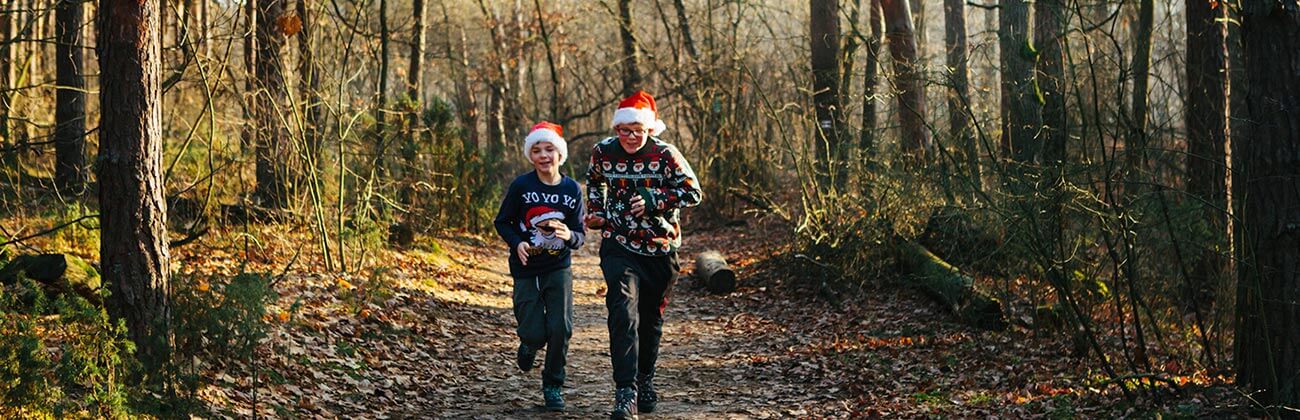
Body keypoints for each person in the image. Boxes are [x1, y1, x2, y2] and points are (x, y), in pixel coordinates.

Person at [585, 91, 703, 419]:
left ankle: (644, 379)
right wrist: (596, 211)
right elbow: (595, 181)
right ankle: (626, 392)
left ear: (649, 129)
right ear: (616, 129)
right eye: (625, 130)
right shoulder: (603, 152)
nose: (632, 137)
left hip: (661, 247)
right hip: (618, 243)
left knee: (650, 320)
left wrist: (655, 199)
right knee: (622, 311)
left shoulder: (666, 154)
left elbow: (693, 191)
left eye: (638, 130)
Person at [494, 121, 586, 412]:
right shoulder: (522, 186)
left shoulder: (572, 189)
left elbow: (580, 233)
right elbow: (503, 222)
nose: (544, 155)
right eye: (537, 150)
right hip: (525, 267)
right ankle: (530, 344)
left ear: (560, 153)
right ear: (530, 155)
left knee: (561, 328)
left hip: (558, 267)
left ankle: (553, 385)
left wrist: (569, 235)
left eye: (549, 149)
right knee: (534, 331)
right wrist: (517, 242)